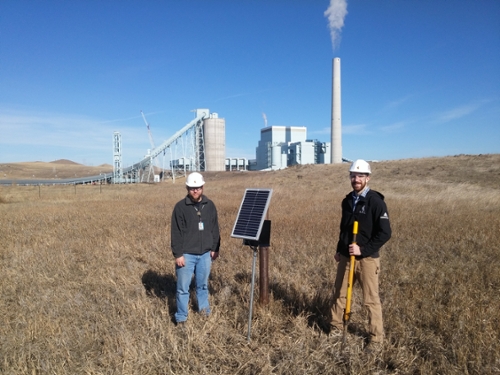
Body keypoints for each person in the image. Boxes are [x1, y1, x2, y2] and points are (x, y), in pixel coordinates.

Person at [330, 159, 391, 352]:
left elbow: (385, 233)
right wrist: (340, 250)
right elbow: (344, 229)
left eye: (360, 176)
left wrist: (362, 250)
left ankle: (375, 339)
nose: (356, 179)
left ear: (368, 178)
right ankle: (335, 327)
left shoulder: (376, 201)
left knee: (370, 299)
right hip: (347, 257)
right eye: (353, 176)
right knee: (339, 293)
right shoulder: (347, 200)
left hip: (367, 259)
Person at [171, 172, 220, 326]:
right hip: (186, 254)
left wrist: (215, 247)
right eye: (192, 188)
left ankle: (204, 312)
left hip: (205, 254)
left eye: (198, 187)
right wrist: (178, 254)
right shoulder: (180, 207)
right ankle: (181, 318)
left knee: (203, 285)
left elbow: (215, 228)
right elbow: (176, 232)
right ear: (187, 188)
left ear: (202, 187)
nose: (195, 190)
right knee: (182, 288)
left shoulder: (210, 205)